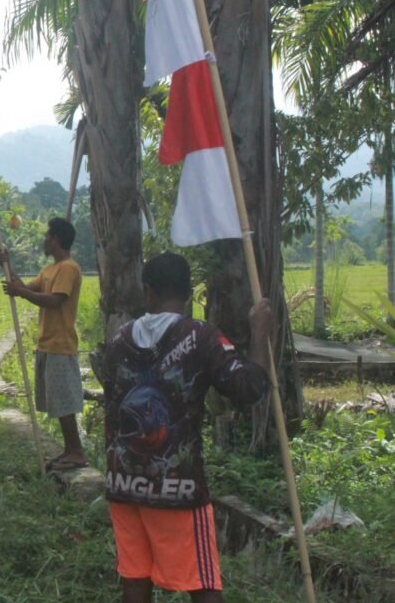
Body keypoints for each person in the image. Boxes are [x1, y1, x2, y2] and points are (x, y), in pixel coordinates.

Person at [100, 253, 270, 602]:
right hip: (177, 490)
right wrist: (260, 335)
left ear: (147, 292)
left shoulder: (118, 340)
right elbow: (249, 390)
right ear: (190, 293)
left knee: (135, 581)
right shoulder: (200, 336)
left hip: (123, 483)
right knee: (204, 585)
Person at [0, 217, 85, 470]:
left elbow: (55, 300)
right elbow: (23, 287)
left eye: (47, 236)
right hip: (47, 343)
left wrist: (22, 293)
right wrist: (7, 264)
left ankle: (77, 451)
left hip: (60, 344)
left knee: (64, 403)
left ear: (56, 239)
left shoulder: (68, 268)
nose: (44, 240)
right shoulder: (49, 270)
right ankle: (70, 450)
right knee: (57, 403)